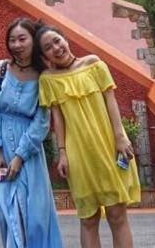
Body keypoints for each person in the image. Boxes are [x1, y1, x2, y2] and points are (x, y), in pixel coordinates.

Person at [36, 24, 139, 248]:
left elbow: (111, 101)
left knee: (117, 214)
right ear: (44, 56)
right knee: (88, 218)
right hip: (78, 154)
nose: (56, 48)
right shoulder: (48, 79)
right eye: (47, 47)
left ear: (65, 39)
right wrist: (62, 153)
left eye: (57, 41)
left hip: (108, 145)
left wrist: (121, 137)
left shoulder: (93, 64)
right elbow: (58, 119)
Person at [0, 17, 62, 248]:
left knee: (36, 213)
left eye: (22, 39)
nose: (16, 44)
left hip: (29, 147)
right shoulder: (0, 68)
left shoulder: (44, 75)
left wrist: (20, 156)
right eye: (12, 40)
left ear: (33, 41)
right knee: (11, 210)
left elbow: (42, 120)